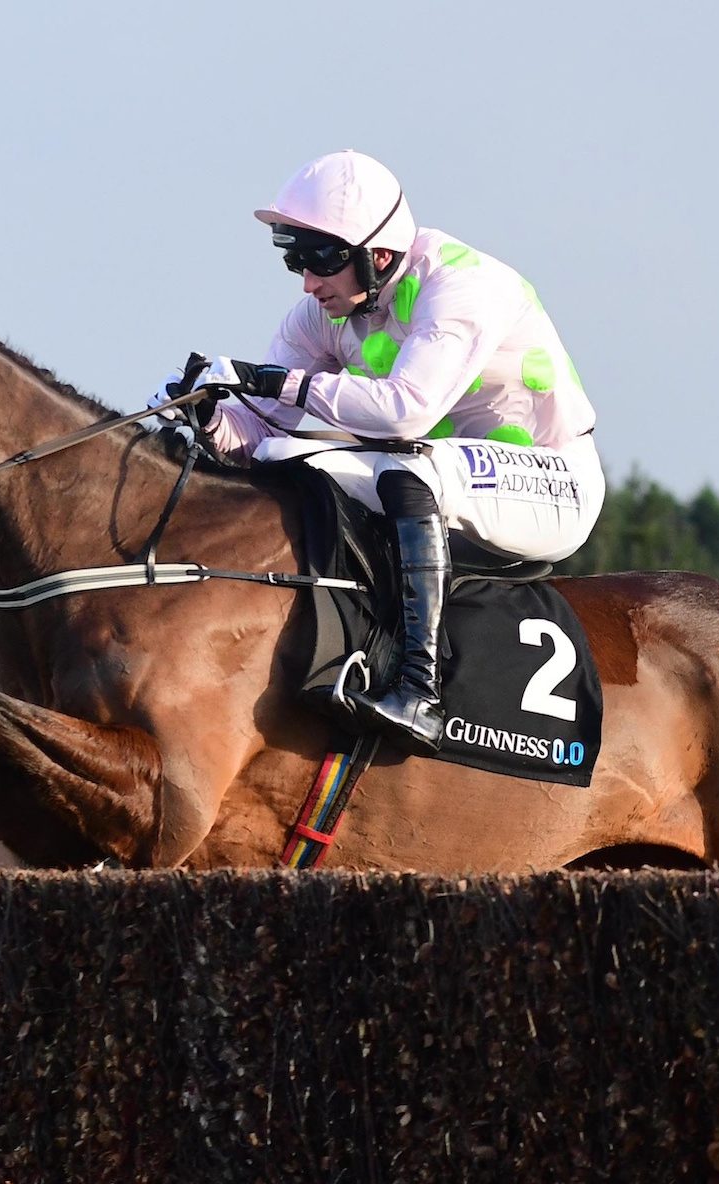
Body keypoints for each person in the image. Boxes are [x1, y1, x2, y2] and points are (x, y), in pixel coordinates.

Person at [150, 149, 604, 753]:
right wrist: (209, 415)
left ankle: (421, 692)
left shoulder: (464, 285)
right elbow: (257, 434)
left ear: (378, 254)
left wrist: (272, 382)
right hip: (437, 477)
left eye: (319, 262)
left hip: (552, 485)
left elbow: (406, 408)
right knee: (288, 458)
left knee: (408, 467)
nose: (309, 283)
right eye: (295, 262)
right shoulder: (320, 316)